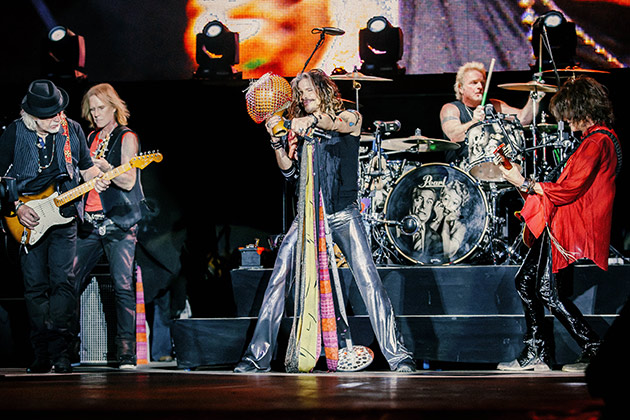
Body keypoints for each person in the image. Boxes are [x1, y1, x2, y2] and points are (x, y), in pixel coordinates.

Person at [234, 69, 415, 373]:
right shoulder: (299, 129)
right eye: (300, 92)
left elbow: (335, 124)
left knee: (369, 280)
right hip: (307, 216)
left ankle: (398, 356)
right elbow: (289, 172)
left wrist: (312, 121)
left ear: (323, 90)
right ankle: (256, 356)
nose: (304, 96)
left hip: (343, 213)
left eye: (309, 90)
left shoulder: (350, 117)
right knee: (278, 278)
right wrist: (278, 143)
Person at [496, 76, 620, 372]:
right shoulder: (596, 140)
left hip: (567, 225)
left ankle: (593, 349)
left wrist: (523, 181)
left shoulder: (597, 141)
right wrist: (523, 182)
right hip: (560, 222)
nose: (565, 120)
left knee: (545, 290)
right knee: (527, 283)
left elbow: (569, 189)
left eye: (568, 113)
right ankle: (537, 351)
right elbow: (562, 188)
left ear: (583, 108)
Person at [0, 79, 110, 373]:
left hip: (65, 216)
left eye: (59, 112)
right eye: (50, 115)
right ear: (32, 116)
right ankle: (41, 352)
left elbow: (86, 168)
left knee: (63, 282)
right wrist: (17, 207)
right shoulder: (14, 132)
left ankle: (61, 352)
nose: (57, 118)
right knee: (35, 286)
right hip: (28, 217)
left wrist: (97, 179)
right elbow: (2, 178)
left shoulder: (71, 130)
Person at [72, 83, 146, 369]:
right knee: (68, 280)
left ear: (114, 107)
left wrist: (106, 168)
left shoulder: (127, 136)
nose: (96, 114)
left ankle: (126, 353)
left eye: (101, 108)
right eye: (92, 109)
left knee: (122, 285)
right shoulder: (90, 137)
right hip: (89, 222)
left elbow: (128, 180)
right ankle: (66, 349)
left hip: (118, 222)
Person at [439, 61, 538, 165]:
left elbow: (523, 119)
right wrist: (474, 122)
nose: (480, 86)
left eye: (482, 83)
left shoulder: (494, 105)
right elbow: (454, 135)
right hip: (461, 170)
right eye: (474, 83)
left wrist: (534, 98)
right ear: (460, 88)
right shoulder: (451, 108)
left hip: (493, 166)